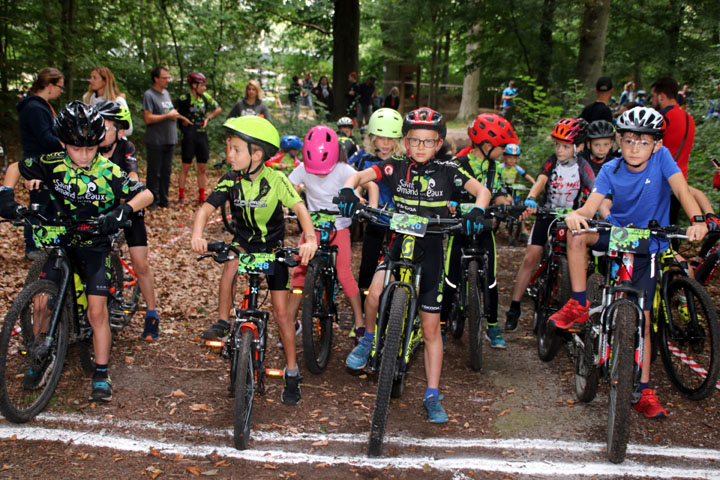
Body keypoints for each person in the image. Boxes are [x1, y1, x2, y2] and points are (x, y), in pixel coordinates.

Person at [336, 107, 492, 423]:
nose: (421, 148)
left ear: (438, 144)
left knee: (432, 328)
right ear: (405, 142)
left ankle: (432, 394)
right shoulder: (394, 166)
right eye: (414, 141)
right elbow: (361, 175)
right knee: (375, 294)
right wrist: (348, 189)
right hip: (398, 243)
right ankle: (367, 340)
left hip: (432, 248)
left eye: (428, 142)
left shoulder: (449, 170)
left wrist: (478, 209)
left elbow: (482, 190)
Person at [554, 106, 707, 418]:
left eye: (644, 141)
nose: (636, 147)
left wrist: (698, 219)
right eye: (628, 141)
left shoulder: (663, 159)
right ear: (618, 142)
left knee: (644, 320)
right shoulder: (610, 169)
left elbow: (680, 188)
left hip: (648, 242)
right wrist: (576, 215)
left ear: (657, 144)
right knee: (576, 236)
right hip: (617, 234)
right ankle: (579, 302)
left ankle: (645, 389)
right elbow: (591, 207)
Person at [0, 101, 154, 401]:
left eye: (90, 148)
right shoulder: (53, 161)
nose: (83, 155)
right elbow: (16, 167)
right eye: (75, 148)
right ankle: (40, 356)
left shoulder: (108, 170)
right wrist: (6, 195)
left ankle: (101, 373)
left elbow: (145, 194)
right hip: (60, 238)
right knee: (42, 302)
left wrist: (122, 212)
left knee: (96, 313)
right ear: (62, 143)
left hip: (94, 244)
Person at [191, 115, 318, 405]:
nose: (229, 155)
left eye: (236, 149)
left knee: (282, 313)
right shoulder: (230, 179)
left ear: (257, 154)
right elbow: (205, 210)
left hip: (272, 248)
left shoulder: (275, 179)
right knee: (231, 263)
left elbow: (299, 208)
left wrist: (309, 238)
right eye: (229, 148)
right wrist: (198, 234)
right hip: (243, 244)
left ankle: (292, 372)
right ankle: (224, 320)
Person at [286, 125, 377, 341]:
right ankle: (290, 323)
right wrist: (285, 202)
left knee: (344, 273)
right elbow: (287, 186)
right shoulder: (303, 168)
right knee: (299, 271)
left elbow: (368, 185)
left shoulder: (344, 169)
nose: (318, 175)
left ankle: (360, 321)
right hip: (312, 228)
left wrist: (362, 200)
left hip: (339, 227)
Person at [505, 118, 595, 331]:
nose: (559, 150)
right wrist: (531, 197)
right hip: (547, 214)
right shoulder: (552, 161)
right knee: (531, 257)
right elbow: (541, 180)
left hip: (572, 217)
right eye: (557, 144)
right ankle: (514, 307)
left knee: (580, 256)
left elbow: (595, 189)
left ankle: (574, 302)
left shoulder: (583, 166)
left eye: (565, 146)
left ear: (579, 147)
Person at [443, 113, 521, 349]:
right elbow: (445, 192)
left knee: (491, 279)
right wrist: (448, 203)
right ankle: (442, 325)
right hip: (459, 228)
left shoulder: (494, 167)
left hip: (484, 226)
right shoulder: (456, 164)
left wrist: (508, 206)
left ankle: (493, 326)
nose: (504, 152)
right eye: (501, 148)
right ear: (487, 146)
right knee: (450, 277)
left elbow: (497, 193)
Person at [95, 100, 161, 341]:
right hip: (101, 207)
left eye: (105, 127)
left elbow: (133, 178)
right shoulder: (88, 149)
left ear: (119, 131)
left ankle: (152, 313)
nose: (99, 132)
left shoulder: (126, 147)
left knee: (139, 263)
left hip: (130, 205)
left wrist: (125, 202)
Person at [353, 108, 404, 317]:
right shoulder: (366, 160)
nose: (385, 143)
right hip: (374, 218)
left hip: (398, 220)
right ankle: (366, 307)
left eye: (390, 138)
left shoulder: (403, 162)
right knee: (368, 263)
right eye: (380, 137)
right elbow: (358, 182)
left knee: (400, 262)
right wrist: (357, 195)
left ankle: (397, 304)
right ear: (373, 138)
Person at [15, 67, 65, 260]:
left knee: (50, 205)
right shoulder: (35, 108)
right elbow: (45, 138)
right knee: (39, 205)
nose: (61, 91)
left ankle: (48, 243)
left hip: (47, 163)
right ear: (50, 86)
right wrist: (64, 143)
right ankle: (32, 247)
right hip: (38, 163)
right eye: (59, 86)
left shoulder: (41, 106)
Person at [650, 76, 696, 236]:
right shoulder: (689, 118)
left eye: (653, 96)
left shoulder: (661, 118)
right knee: (672, 230)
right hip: (680, 182)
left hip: (660, 182)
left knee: (655, 231)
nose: (652, 99)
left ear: (661, 96)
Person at [174, 72, 222, 205]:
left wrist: (208, 118)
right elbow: (170, 109)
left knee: (202, 167)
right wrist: (182, 118)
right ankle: (181, 196)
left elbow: (218, 108)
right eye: (202, 85)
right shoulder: (184, 98)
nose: (204, 88)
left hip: (202, 134)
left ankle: (202, 196)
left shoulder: (205, 97)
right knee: (186, 166)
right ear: (194, 86)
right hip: (188, 135)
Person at [142, 66, 186, 209]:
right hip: (156, 140)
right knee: (154, 172)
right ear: (156, 79)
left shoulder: (166, 93)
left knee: (166, 172)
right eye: (165, 78)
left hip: (169, 139)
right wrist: (168, 116)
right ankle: (151, 201)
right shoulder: (149, 95)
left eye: (168, 77)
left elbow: (170, 112)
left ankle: (163, 200)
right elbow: (148, 118)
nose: (168, 80)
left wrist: (179, 117)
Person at [83, 66, 133, 136]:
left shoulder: (118, 101)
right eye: (90, 77)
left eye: (94, 78)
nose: (91, 81)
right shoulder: (88, 99)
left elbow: (128, 130)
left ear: (105, 81)